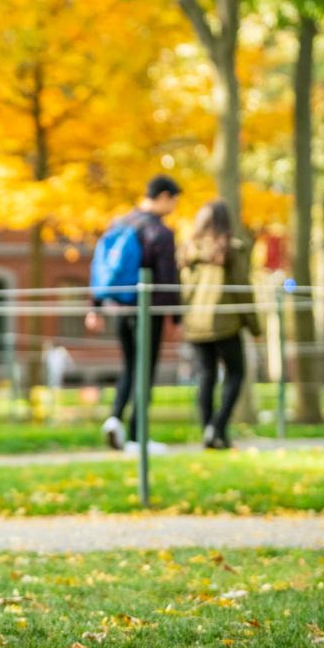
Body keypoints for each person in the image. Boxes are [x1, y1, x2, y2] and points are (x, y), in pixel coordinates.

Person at [85, 174, 182, 454]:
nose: (174, 207)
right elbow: (167, 278)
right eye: (174, 200)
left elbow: (101, 268)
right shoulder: (159, 233)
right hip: (146, 309)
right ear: (163, 197)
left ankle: (115, 419)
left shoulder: (120, 224)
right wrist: (175, 317)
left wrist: (95, 306)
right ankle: (138, 436)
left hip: (118, 306)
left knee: (129, 365)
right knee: (146, 369)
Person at [179, 199, 260, 449]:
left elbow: (185, 292)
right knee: (236, 374)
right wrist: (254, 325)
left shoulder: (188, 252)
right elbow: (242, 289)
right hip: (225, 322)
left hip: (195, 325)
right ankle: (218, 426)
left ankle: (209, 432)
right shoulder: (231, 249)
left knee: (206, 377)